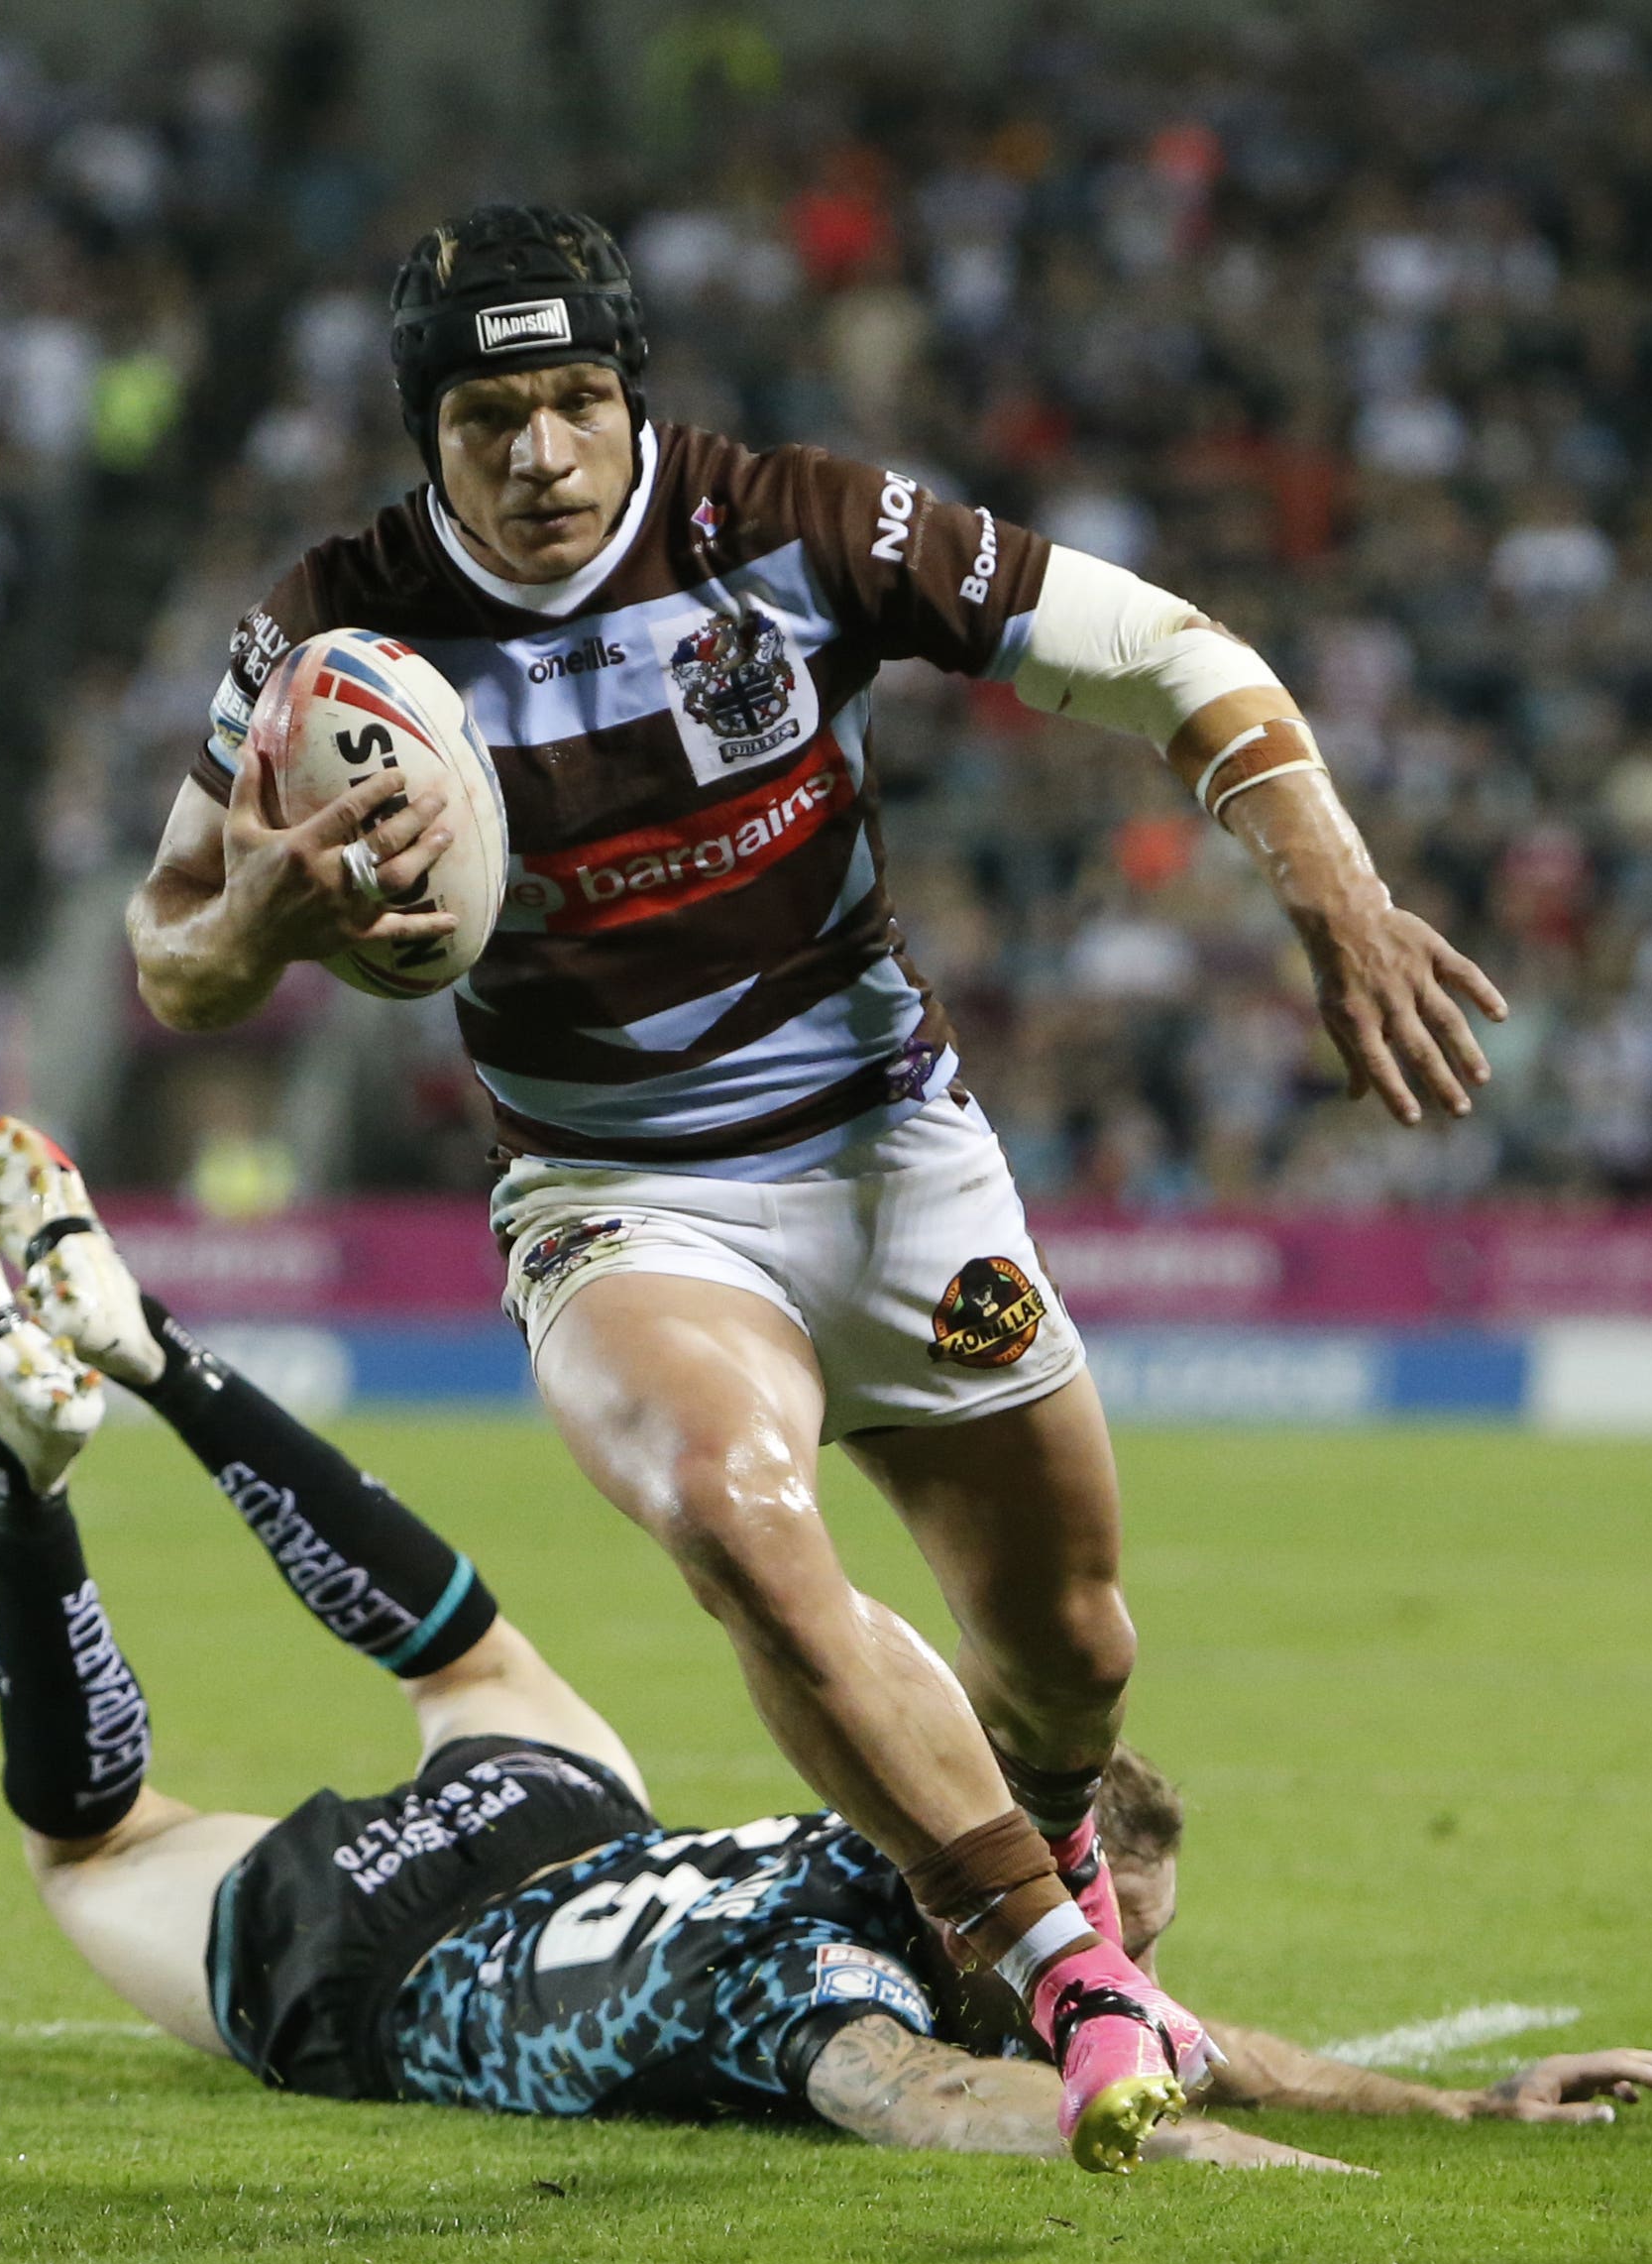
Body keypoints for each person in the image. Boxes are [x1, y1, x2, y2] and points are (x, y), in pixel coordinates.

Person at [123, 203, 1510, 2165]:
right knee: (731, 1500)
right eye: (491, 416)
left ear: (634, 401)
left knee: (1076, 1648)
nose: (541, 456)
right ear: (421, 429)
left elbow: (1167, 655)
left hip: (888, 1158)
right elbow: (170, 954)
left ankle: (1029, 1883)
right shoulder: (326, 640)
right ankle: (1072, 1974)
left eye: (580, 403)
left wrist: (1335, 895)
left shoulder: (794, 528)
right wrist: (257, 907)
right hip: (615, 1192)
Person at [0, 1119, 1652, 2169]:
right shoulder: (824, 2007)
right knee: (91, 1843)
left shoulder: (897, 1831)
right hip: (368, 1963)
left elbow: (1195, 2043)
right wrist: (1274, 2177)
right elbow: (985, 2103)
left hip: (562, 1837)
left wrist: (1463, 2105)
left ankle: (158, 1356)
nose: (1121, 2007)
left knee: (473, 1665)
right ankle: (24, 1474)